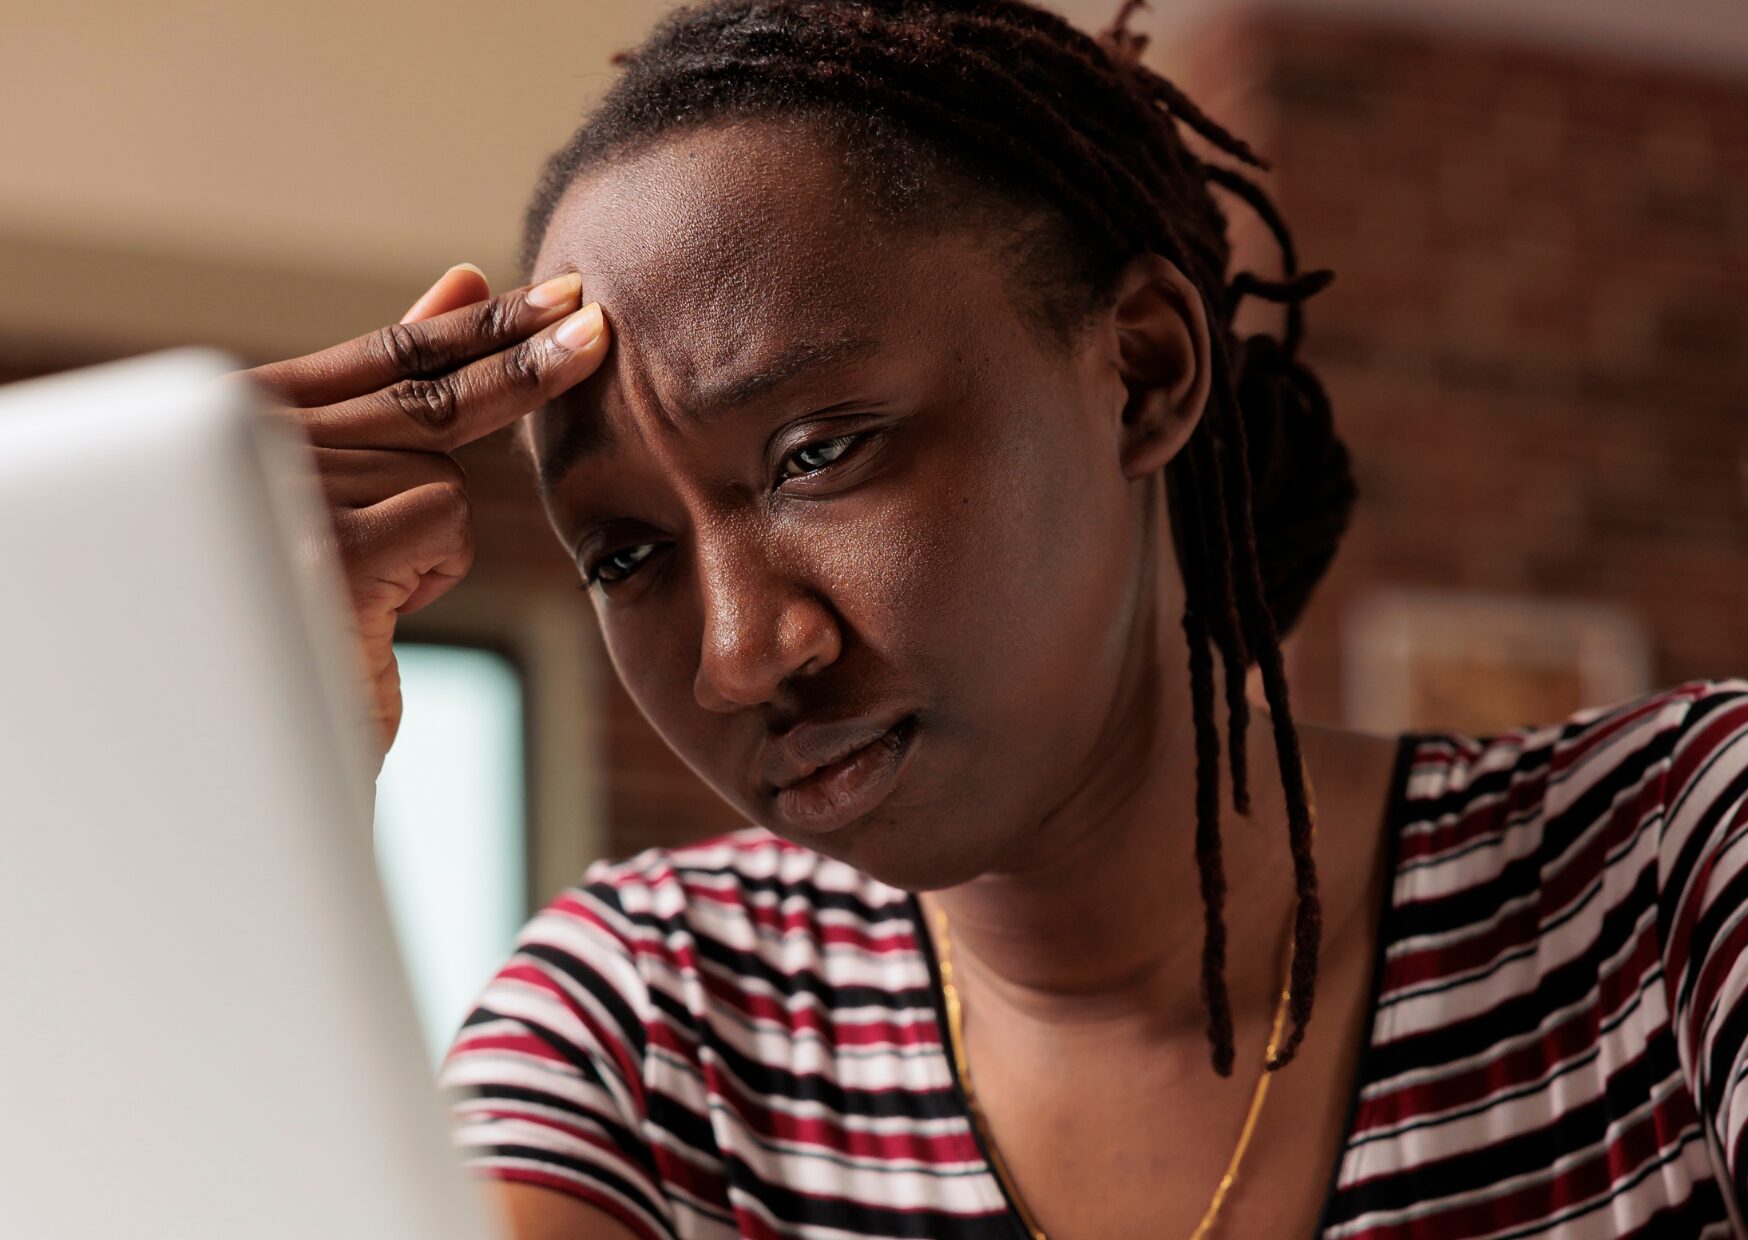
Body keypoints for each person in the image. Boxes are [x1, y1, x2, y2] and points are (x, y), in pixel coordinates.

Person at [245, 1, 1748, 1235]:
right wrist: (226, 778)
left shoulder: (1678, 872)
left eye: (821, 453)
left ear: (1144, 372)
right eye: (627, 554)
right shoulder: (654, 1031)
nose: (740, 653)